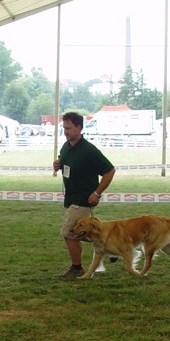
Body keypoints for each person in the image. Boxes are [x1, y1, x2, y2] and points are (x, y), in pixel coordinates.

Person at [53, 111, 116, 279]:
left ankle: (77, 268)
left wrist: (97, 193)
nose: (65, 131)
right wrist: (58, 165)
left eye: (69, 128)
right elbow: (65, 164)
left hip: (83, 199)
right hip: (70, 197)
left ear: (79, 127)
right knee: (87, 233)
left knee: (69, 232)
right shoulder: (66, 147)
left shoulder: (89, 150)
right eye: (64, 128)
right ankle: (113, 247)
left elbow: (110, 171)